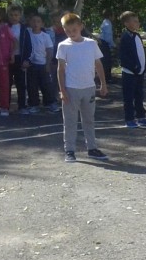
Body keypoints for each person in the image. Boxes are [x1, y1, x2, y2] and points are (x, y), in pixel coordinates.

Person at [56, 13, 109, 163]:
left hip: (89, 87)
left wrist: (103, 84)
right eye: (67, 31)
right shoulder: (63, 46)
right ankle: (69, 150)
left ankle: (92, 148)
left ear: (81, 27)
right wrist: (62, 90)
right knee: (70, 121)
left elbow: (98, 64)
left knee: (89, 119)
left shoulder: (91, 43)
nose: (71, 33)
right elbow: (60, 69)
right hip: (71, 88)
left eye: (74, 30)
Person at [118, 11, 146, 127]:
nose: (138, 23)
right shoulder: (125, 37)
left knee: (139, 95)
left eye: (138, 21)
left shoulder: (137, 36)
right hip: (130, 73)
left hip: (139, 73)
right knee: (129, 97)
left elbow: (141, 53)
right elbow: (124, 56)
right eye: (135, 21)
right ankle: (129, 118)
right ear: (126, 23)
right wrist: (134, 67)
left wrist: (144, 66)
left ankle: (141, 116)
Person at [20, 14, 59, 114]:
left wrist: (47, 64)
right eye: (33, 21)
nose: (36, 24)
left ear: (42, 24)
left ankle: (50, 103)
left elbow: (49, 50)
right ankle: (33, 104)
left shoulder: (45, 36)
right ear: (30, 22)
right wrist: (25, 61)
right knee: (32, 86)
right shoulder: (27, 34)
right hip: (31, 64)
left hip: (43, 64)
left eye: (38, 21)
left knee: (46, 85)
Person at [6, 5, 28, 114]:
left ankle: (22, 106)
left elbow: (28, 45)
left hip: (20, 58)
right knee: (7, 83)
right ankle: (5, 105)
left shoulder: (24, 29)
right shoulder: (5, 27)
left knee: (21, 83)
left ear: (20, 16)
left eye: (16, 15)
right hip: (7, 59)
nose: (14, 17)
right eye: (11, 15)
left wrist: (26, 59)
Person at [99, 10, 115, 83]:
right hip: (105, 44)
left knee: (103, 61)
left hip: (102, 43)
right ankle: (107, 78)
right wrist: (113, 44)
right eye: (113, 15)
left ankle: (103, 77)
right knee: (107, 62)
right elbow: (108, 37)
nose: (114, 17)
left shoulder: (104, 22)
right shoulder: (108, 24)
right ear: (110, 16)